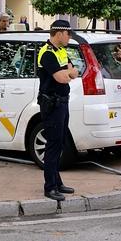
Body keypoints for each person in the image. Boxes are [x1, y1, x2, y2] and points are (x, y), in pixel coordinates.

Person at [37, 20, 79, 201]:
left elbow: (75, 72)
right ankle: (50, 187)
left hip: (62, 102)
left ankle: (58, 182)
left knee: (60, 143)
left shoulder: (61, 51)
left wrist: (68, 73)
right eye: (68, 34)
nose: (70, 37)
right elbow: (62, 78)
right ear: (60, 33)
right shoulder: (46, 53)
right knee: (53, 146)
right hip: (52, 104)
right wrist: (67, 73)